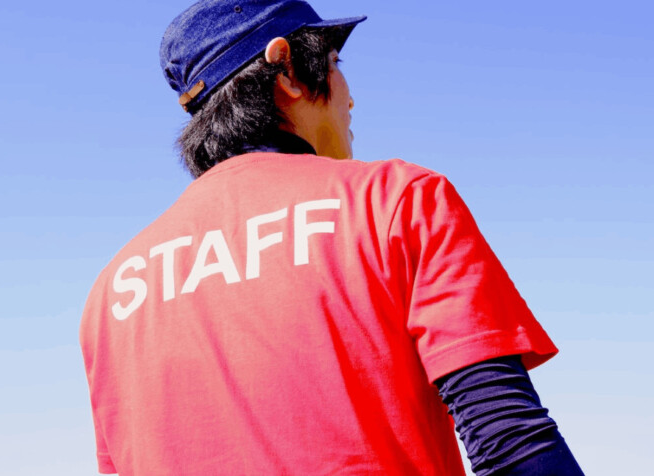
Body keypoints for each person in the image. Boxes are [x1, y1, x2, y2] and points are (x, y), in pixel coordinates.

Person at [80, 1, 585, 475]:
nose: (350, 95)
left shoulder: (111, 292)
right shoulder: (396, 200)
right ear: (289, 71)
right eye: (336, 61)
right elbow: (510, 437)